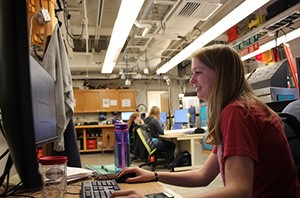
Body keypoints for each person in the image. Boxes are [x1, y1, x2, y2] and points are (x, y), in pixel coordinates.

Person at [111, 44, 300, 198]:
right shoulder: (239, 109)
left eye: (198, 72)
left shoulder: (237, 112)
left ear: (221, 75)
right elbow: (203, 175)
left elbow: (239, 191)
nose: (192, 80)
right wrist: (154, 175)